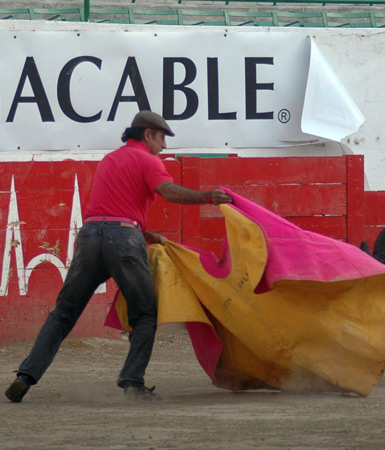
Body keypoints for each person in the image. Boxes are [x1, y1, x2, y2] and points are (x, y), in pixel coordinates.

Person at [5, 110, 232, 403]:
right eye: (162, 138)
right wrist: (207, 197)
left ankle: (25, 376)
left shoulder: (110, 160)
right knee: (146, 314)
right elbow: (168, 192)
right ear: (148, 134)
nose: (164, 146)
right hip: (123, 240)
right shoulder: (149, 161)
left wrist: (147, 234)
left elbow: (109, 209)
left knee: (63, 314)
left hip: (89, 237)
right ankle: (132, 381)